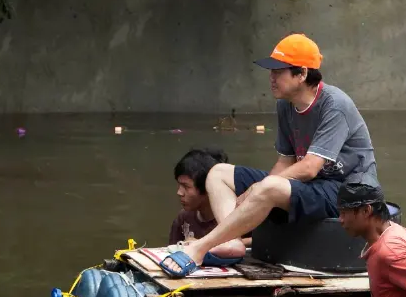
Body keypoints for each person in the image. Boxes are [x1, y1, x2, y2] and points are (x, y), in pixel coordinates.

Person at [160, 33, 379, 277]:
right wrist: (261, 189)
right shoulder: (285, 104)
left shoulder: (335, 105)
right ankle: (231, 242)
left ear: (302, 74)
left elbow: (309, 168)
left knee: (269, 186)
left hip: (347, 191)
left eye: (278, 72)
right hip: (311, 187)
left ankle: (199, 249)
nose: (271, 78)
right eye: (271, 71)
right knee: (218, 173)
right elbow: (286, 160)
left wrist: (262, 187)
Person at [169, 147, 248, 264]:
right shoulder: (184, 218)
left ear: (207, 188)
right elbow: (170, 250)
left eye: (186, 187)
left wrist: (203, 244)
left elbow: (258, 243)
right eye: (179, 185)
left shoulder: (238, 214)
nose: (179, 192)